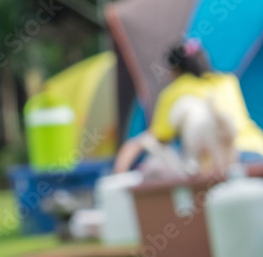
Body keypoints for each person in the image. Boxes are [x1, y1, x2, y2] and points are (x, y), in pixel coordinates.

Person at [113, 38, 263, 175]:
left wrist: (119, 174)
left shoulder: (173, 92)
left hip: (222, 161)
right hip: (257, 151)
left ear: (175, 70)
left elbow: (149, 141)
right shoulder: (227, 81)